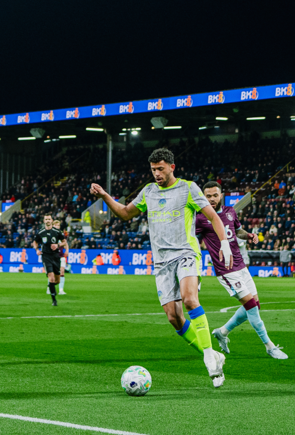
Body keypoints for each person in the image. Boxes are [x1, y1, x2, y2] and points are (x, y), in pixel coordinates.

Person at [91, 148, 232, 388]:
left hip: (186, 254)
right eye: (153, 169)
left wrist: (225, 243)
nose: (156, 174)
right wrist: (105, 195)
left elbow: (212, 216)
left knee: (189, 300)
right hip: (161, 262)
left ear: (171, 167)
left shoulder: (188, 188)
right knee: (174, 317)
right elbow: (125, 213)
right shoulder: (148, 192)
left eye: (160, 169)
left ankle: (208, 354)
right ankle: (213, 354)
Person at [197, 182, 287, 359]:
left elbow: (238, 231)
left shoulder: (230, 212)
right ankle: (269, 346)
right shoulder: (200, 218)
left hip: (241, 266)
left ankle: (222, 332)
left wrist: (249, 235)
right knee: (251, 307)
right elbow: (193, 241)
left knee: (254, 306)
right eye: (208, 196)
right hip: (226, 270)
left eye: (215, 195)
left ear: (221, 195)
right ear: (204, 197)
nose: (212, 199)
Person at [32, 215, 66, 306]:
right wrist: (37, 250)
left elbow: (64, 242)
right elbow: (35, 241)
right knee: (51, 277)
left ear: (52, 220)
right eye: (46, 219)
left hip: (55, 256)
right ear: (44, 220)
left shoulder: (57, 232)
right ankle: (54, 300)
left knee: (57, 281)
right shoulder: (41, 232)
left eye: (49, 219)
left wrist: (58, 245)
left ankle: (51, 286)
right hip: (46, 256)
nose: (47, 220)